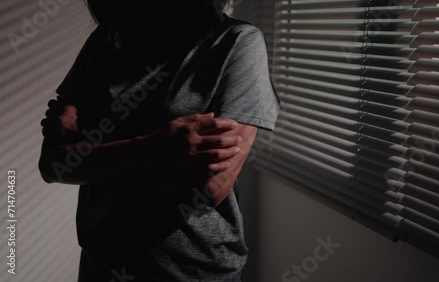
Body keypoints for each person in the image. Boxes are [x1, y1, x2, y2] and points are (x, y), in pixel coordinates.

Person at [38, 0, 280, 281]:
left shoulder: (237, 43)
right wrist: (161, 147)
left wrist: (94, 144)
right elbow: (53, 164)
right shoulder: (105, 42)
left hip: (193, 271)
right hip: (101, 266)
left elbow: (209, 188)